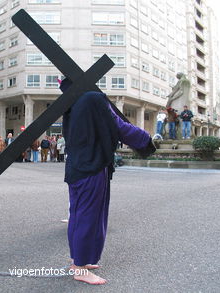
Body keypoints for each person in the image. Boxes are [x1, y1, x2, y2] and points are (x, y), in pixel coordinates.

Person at [60, 78, 156, 285]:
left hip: (76, 166)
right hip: (92, 167)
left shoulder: (70, 106)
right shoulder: (93, 99)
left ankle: (78, 259)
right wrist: (147, 141)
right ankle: (80, 268)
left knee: (78, 214)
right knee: (88, 217)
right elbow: (119, 126)